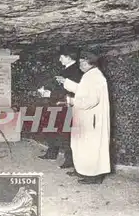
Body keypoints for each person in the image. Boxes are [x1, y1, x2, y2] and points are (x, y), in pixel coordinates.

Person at [55, 51, 111, 184]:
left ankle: (93, 177)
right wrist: (66, 82)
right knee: (80, 146)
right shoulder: (90, 75)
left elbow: (91, 100)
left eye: (81, 62)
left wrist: (72, 101)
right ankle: (82, 170)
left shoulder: (95, 77)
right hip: (85, 117)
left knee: (90, 147)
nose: (79, 64)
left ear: (88, 62)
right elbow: (83, 90)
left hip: (91, 119)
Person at [37, 47, 83, 169]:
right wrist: (47, 90)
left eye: (61, 57)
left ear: (68, 57)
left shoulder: (76, 71)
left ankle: (70, 160)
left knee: (66, 133)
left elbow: (73, 91)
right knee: (52, 128)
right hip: (57, 104)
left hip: (67, 106)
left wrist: (50, 94)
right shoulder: (66, 69)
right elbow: (61, 88)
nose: (59, 59)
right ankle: (52, 153)